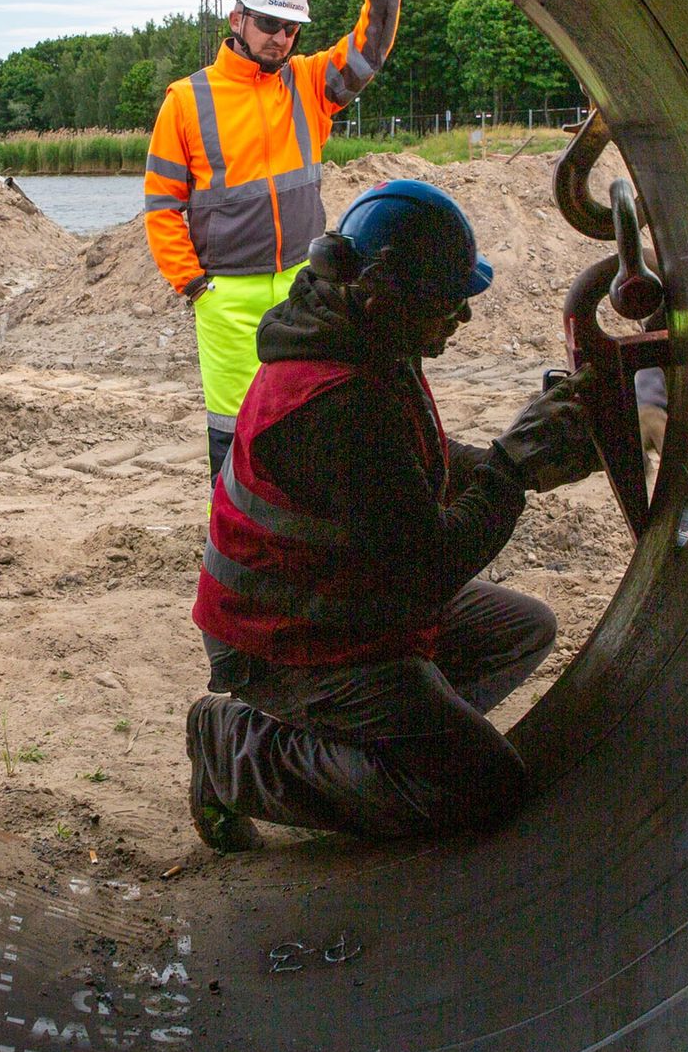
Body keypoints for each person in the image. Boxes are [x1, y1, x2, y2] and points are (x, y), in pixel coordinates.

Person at [182, 181, 605, 849]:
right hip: (282, 640)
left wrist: (514, 458)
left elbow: (405, 464)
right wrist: (511, 470)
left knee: (520, 630)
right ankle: (235, 750)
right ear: (381, 290)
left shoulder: (357, 336)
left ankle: (389, 735)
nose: (462, 318)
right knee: (485, 787)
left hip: (337, 608)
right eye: (448, 302)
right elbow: (428, 570)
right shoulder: (332, 403)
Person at [144, 0, 403, 475]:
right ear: (237, 17)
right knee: (236, 430)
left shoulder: (308, 83)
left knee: (313, 418)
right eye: (269, 24)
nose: (281, 38)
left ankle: (306, 523)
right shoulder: (186, 101)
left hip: (304, 286)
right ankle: (233, 526)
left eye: (291, 28)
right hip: (226, 296)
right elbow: (162, 205)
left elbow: (368, 53)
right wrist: (195, 285)